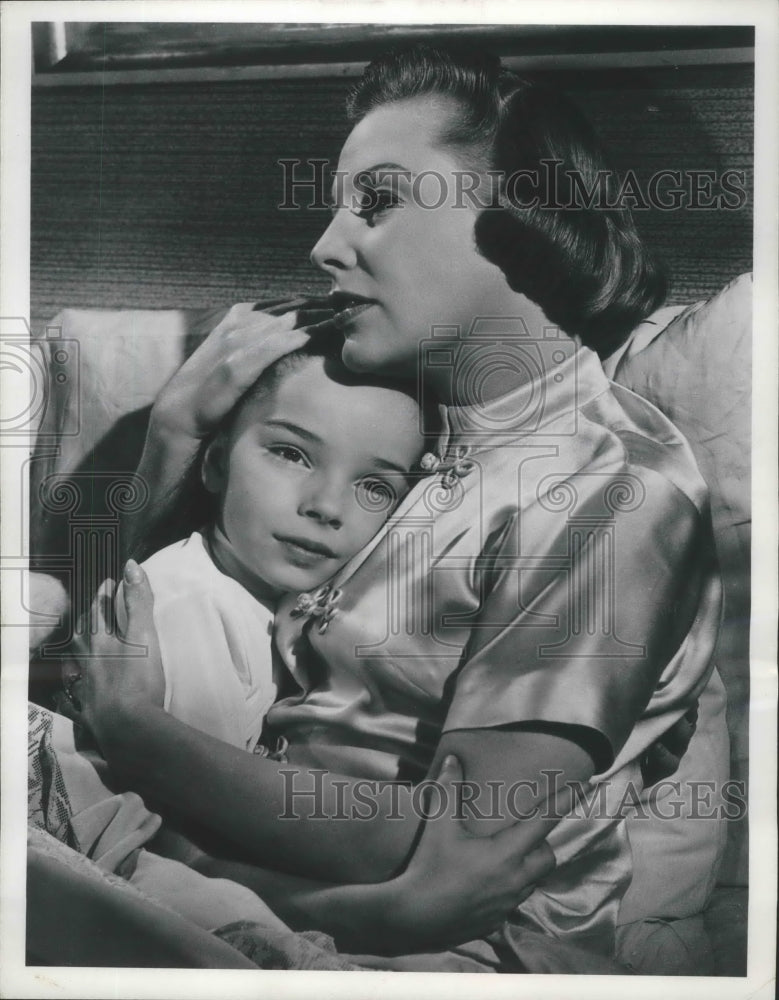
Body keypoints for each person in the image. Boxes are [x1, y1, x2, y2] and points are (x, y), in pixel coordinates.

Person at [64, 45, 726, 972]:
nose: (326, 244)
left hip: (445, 962)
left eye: (375, 200)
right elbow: (140, 629)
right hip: (260, 889)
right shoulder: (408, 428)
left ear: (520, 212)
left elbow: (454, 861)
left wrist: (137, 742)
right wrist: (174, 434)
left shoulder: (611, 487)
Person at [112, 333, 439, 751]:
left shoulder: (278, 601)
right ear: (216, 464)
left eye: (375, 486)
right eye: (290, 454)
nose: (326, 506)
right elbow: (194, 793)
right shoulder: (188, 601)